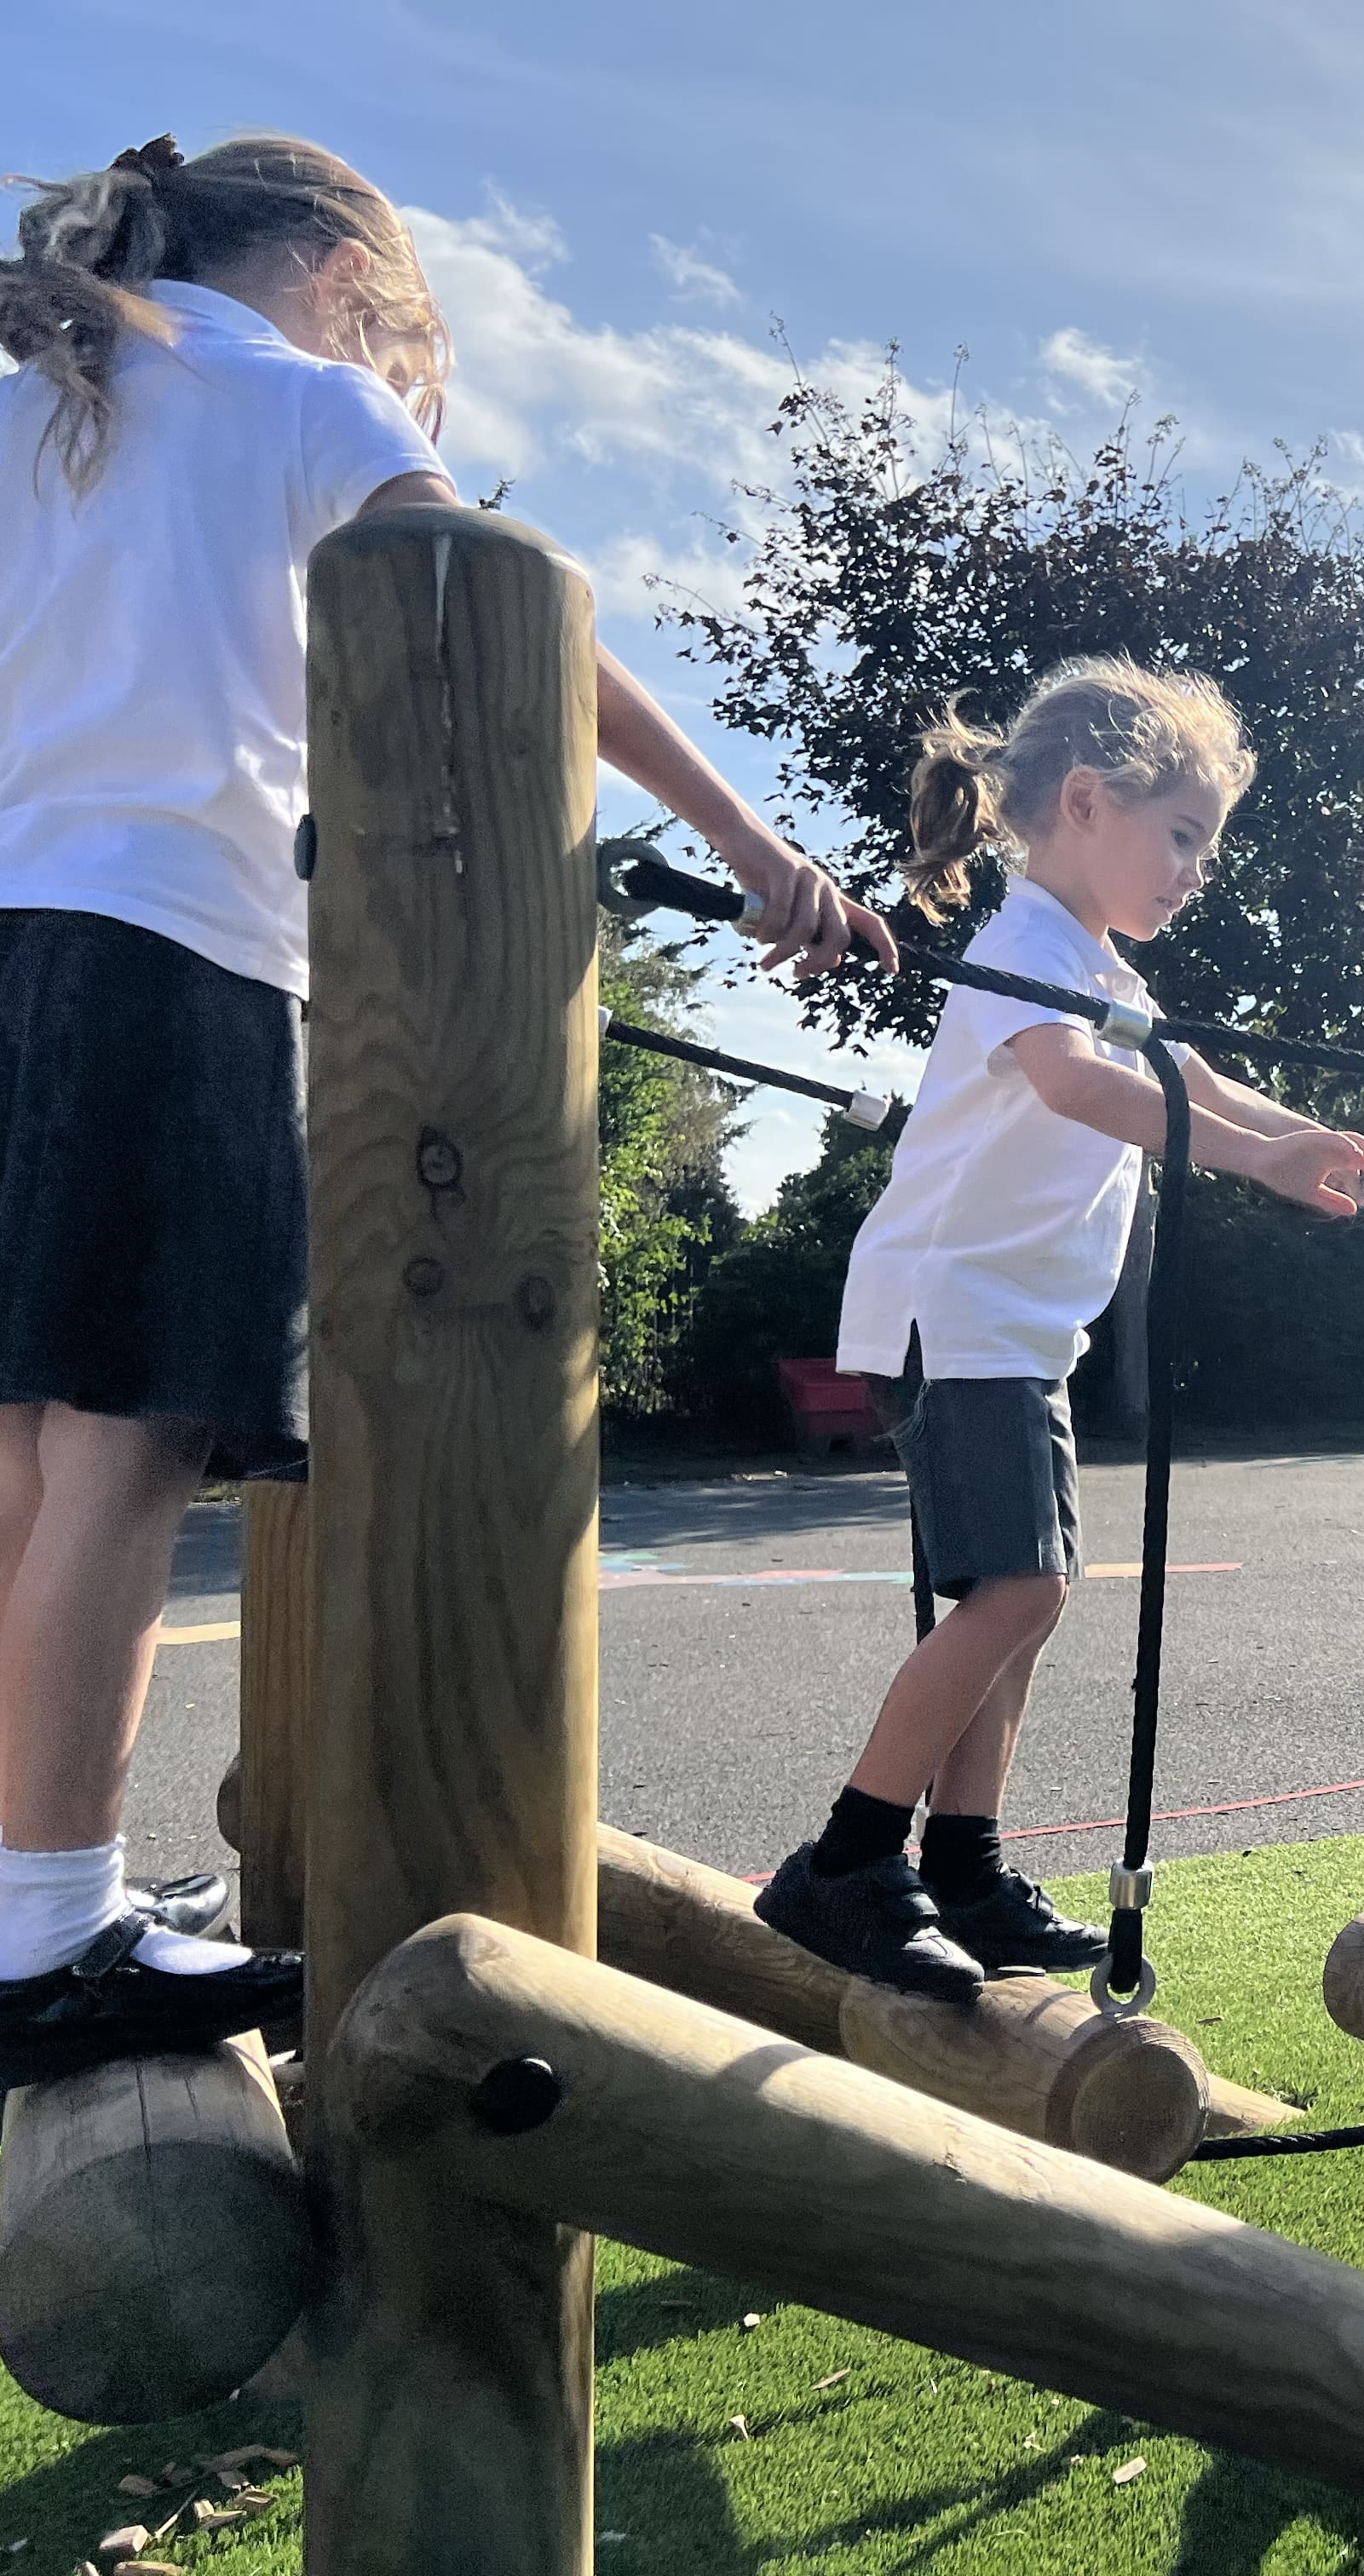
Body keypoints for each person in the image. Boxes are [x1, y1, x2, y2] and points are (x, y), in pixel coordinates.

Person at [0, 135, 884, 2088]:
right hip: (165, 948)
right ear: (330, 270)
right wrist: (750, 847)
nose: (397, 367)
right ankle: (48, 1936)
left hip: (13, 944)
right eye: (397, 328)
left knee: (27, 1451)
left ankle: (16, 1894)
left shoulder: (39, 407)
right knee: (130, 1447)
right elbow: (505, 606)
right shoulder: (287, 396)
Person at [757, 659, 1364, 1998]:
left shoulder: (1095, 966)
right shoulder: (1021, 955)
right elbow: (1076, 1086)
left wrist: (1299, 1136)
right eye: (1183, 836)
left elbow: (1187, 1074)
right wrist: (1253, 1164)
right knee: (1022, 1589)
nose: (1195, 871)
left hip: (1016, 1330)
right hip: (958, 1312)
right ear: (1089, 803)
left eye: (1205, 848)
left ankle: (967, 1865)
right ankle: (848, 1862)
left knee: (1020, 1606)